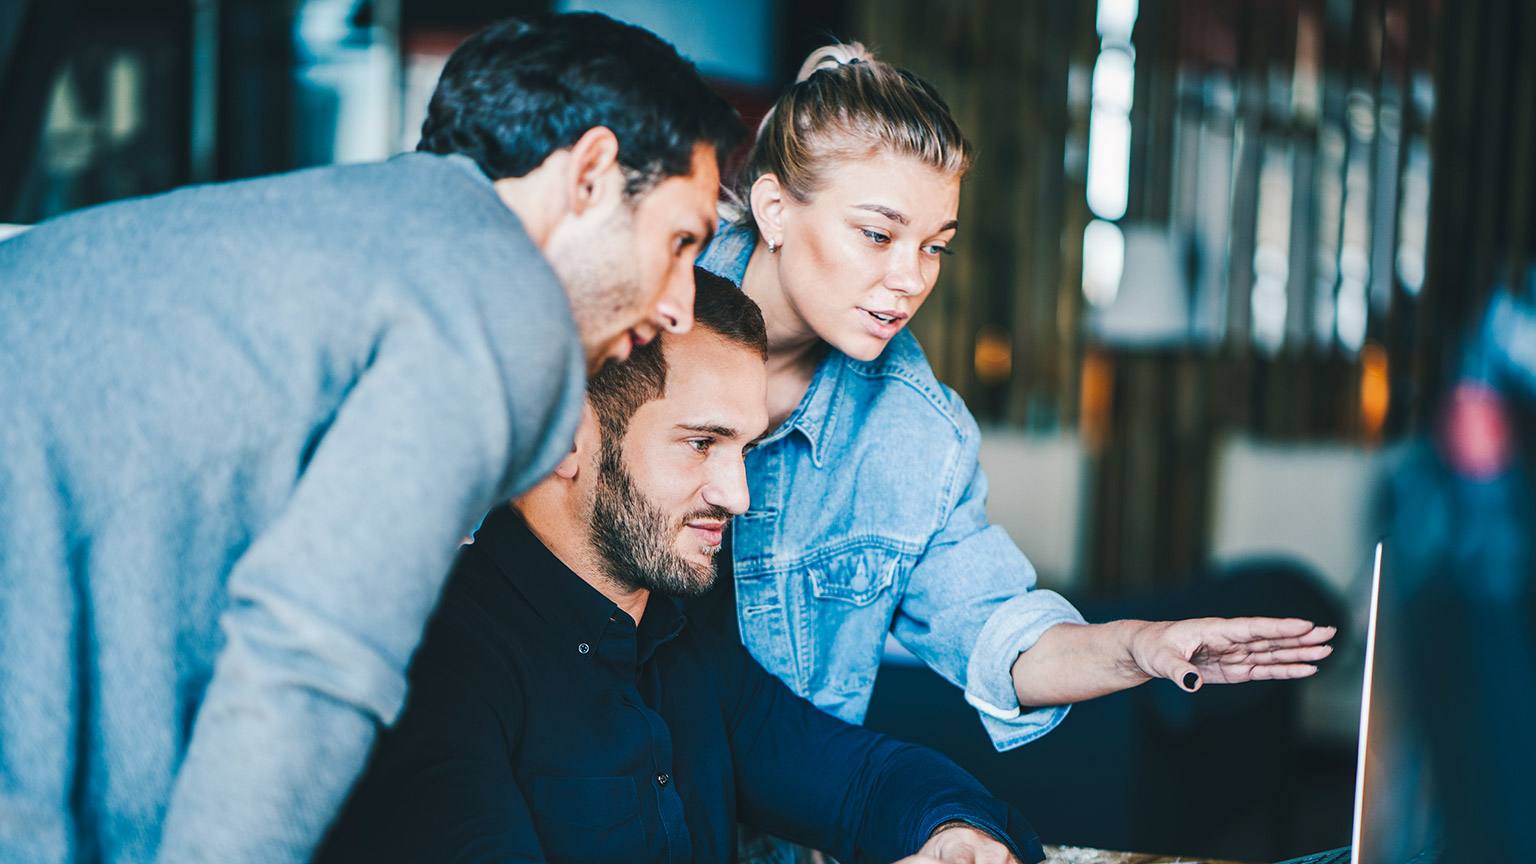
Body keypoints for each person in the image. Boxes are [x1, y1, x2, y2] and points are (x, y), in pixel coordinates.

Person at [0, 13, 741, 864]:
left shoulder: (385, 227)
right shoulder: (501, 300)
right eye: (681, 242)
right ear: (591, 175)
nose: (682, 303)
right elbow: (313, 659)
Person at [695, 42, 1335, 860]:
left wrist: (1139, 645)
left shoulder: (917, 434)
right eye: (878, 234)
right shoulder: (644, 311)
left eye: (934, 245)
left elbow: (994, 630)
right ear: (776, 210)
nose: (909, 280)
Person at [317, 269, 1041, 864]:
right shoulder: (435, 664)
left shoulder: (682, 647)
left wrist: (954, 838)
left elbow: (861, 779)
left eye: (744, 449)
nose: (739, 495)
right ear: (561, 439)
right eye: (701, 444)